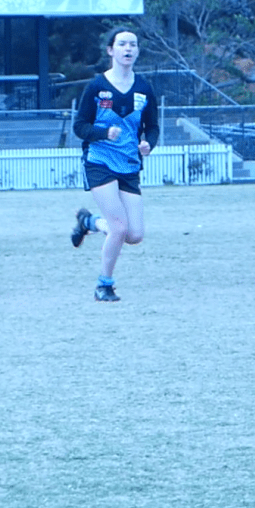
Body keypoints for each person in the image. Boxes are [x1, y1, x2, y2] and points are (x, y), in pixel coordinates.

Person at [68, 28, 160, 302]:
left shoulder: (144, 88)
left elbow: (153, 127)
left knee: (134, 235)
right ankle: (103, 285)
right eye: (122, 44)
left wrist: (148, 144)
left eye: (132, 44)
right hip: (100, 162)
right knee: (119, 227)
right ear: (111, 50)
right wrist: (103, 133)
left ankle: (89, 222)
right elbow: (80, 126)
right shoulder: (97, 87)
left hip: (129, 165)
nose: (128, 49)